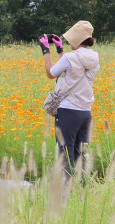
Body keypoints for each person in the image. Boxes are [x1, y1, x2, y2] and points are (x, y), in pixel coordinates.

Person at [40, 20, 99, 178]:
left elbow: (51, 73)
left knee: (65, 154)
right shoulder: (94, 58)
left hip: (68, 111)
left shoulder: (70, 58)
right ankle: (83, 191)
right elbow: (72, 70)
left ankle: (66, 193)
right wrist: (60, 50)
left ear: (76, 39)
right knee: (81, 155)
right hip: (85, 113)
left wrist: (46, 49)